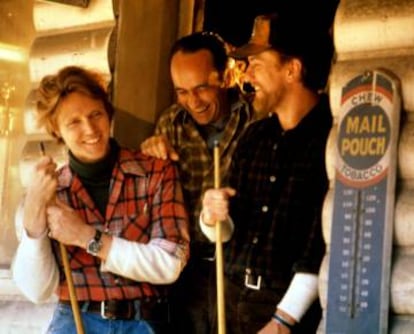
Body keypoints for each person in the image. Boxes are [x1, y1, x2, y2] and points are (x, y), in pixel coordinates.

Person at [12, 66, 190, 334]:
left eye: (96, 114)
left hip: (143, 321)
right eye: (74, 122)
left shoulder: (156, 172)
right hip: (75, 319)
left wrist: (87, 237)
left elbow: (168, 265)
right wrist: (34, 219)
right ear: (56, 130)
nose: (90, 129)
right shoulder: (50, 193)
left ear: (108, 114)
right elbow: (37, 291)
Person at [200, 13, 334, 334]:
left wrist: (283, 321)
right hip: (229, 298)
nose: (247, 76)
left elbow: (321, 243)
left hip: (287, 312)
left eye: (257, 64)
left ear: (292, 69)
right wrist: (211, 216)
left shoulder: (332, 139)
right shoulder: (254, 136)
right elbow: (227, 232)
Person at [140, 32, 257, 334]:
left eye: (202, 87)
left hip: (236, 270)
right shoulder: (170, 124)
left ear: (225, 76)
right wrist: (148, 159)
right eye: (182, 91)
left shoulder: (256, 117)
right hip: (185, 273)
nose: (193, 102)